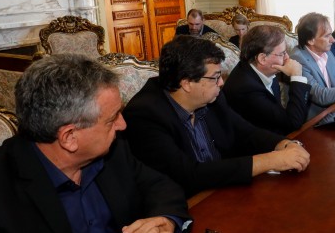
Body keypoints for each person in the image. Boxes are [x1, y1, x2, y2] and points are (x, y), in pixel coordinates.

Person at [0, 54, 191, 233]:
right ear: (69, 137)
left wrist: (163, 224)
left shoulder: (113, 151)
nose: (122, 125)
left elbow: (162, 187)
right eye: (111, 119)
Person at [123, 36, 310, 197]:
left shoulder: (211, 97)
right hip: (187, 205)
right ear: (187, 83)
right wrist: (271, 160)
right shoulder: (144, 116)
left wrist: (283, 144)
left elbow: (245, 132)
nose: (221, 83)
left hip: (223, 191)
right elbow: (189, 175)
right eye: (215, 77)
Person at [224, 25, 310, 135]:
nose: (287, 57)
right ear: (262, 58)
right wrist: (297, 77)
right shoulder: (246, 88)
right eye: (282, 53)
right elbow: (293, 123)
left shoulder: (265, 70)